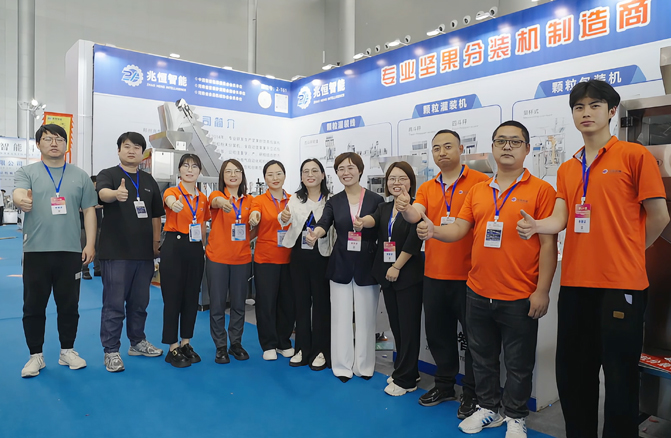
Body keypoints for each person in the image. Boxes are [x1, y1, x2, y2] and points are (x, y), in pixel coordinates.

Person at [516, 80, 669, 438]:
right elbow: (562, 216)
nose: (586, 113)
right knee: (573, 375)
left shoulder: (634, 156)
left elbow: (660, 215)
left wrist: (631, 251)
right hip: (574, 286)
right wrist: (538, 225)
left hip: (621, 286)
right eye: (579, 107)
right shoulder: (568, 168)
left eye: (595, 105)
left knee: (619, 378)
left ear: (612, 111)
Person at [410, 121, 557, 438]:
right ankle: (488, 407)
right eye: (501, 141)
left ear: (527, 149)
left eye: (514, 142)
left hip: (519, 294)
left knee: (518, 364)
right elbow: (459, 228)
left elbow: (548, 244)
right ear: (492, 148)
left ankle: (515, 416)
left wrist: (542, 290)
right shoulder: (479, 190)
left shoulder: (542, 190)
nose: (507, 147)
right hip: (477, 291)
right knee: (482, 359)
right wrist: (434, 230)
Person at [397, 129, 487, 416]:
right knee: (438, 335)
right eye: (436, 148)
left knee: (474, 340)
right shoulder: (428, 186)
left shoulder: (481, 182)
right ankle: (445, 385)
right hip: (434, 274)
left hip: (470, 275)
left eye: (448, 146)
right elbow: (416, 213)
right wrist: (405, 208)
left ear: (461, 149)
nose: (442, 152)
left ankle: (472, 393)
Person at [13, 124, 97, 378]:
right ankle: (35, 356)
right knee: (33, 306)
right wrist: (20, 200)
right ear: (38, 144)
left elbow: (89, 210)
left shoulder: (80, 176)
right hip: (36, 251)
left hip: (70, 252)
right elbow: (18, 192)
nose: (53, 143)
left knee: (69, 305)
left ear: (66, 145)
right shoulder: (27, 172)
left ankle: (67, 351)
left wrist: (90, 243)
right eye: (48, 138)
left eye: (59, 139)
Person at [306, 152, 384, 382]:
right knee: (340, 318)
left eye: (350, 168)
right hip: (340, 264)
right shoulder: (334, 201)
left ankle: (364, 365)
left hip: (367, 265)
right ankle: (341, 365)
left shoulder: (375, 199)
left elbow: (379, 225)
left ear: (360, 170)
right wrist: (315, 234)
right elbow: (324, 222)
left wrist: (365, 224)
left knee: (366, 319)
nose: (346, 172)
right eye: (341, 168)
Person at [97, 132, 165, 373]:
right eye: (127, 146)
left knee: (139, 303)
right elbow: (102, 194)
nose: (132, 151)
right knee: (114, 304)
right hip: (116, 252)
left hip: (144, 253)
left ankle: (137, 342)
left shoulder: (148, 180)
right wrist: (115, 194)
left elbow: (156, 214)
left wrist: (156, 242)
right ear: (119, 150)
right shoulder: (108, 174)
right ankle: (111, 350)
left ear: (142, 153)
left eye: (137, 147)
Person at [355, 161, 424, 396]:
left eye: (402, 178)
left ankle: (407, 380)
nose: (397, 183)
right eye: (392, 178)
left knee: (408, 328)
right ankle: (406, 370)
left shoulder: (416, 208)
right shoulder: (385, 207)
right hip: (387, 275)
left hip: (407, 275)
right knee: (397, 327)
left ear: (411, 182)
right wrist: (362, 221)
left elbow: (413, 241)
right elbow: (374, 219)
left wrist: (397, 266)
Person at [279, 158, 333, 371]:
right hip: (299, 258)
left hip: (322, 258)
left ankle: (320, 350)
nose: (310, 175)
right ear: (301, 177)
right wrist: (283, 216)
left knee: (321, 305)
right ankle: (302, 348)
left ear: (322, 175)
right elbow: (284, 219)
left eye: (314, 171)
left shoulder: (331, 199)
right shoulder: (295, 199)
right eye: (305, 171)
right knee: (300, 304)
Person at [160, 154, 210, 368]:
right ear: (179, 170)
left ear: (200, 171)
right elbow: (169, 201)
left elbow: (203, 224)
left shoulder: (203, 198)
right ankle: (172, 347)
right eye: (186, 166)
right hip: (174, 246)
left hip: (195, 247)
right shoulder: (172, 192)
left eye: (194, 166)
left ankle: (186, 342)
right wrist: (174, 204)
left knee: (191, 296)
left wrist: (204, 248)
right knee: (173, 297)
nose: (190, 170)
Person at [207, 159, 254, 364]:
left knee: (238, 304)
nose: (233, 175)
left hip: (241, 258)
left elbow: (256, 220)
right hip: (217, 258)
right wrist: (223, 203)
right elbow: (214, 202)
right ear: (222, 176)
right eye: (228, 171)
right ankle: (220, 346)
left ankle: (236, 343)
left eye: (237, 171)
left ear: (242, 175)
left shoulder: (250, 200)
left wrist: (254, 220)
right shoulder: (217, 195)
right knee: (217, 304)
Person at [249, 160, 295, 360]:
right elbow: (254, 213)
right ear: (264, 178)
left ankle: (284, 341)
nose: (275, 178)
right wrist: (254, 216)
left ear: (284, 176)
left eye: (278, 174)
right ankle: (268, 344)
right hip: (266, 259)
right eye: (270, 174)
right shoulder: (259, 200)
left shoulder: (293, 200)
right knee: (266, 302)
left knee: (287, 302)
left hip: (290, 258)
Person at [81, 175, 103, 279]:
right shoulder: (83, 193)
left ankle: (97, 268)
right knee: (84, 247)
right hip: (83, 226)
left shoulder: (100, 194)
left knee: (98, 247)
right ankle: (85, 270)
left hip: (98, 224)